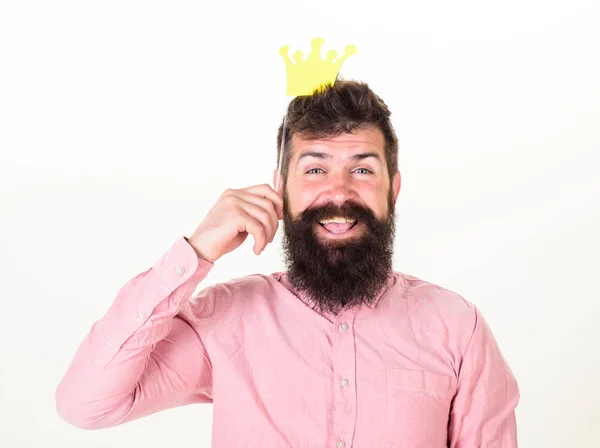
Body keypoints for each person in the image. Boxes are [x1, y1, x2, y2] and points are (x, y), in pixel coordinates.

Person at [55, 80, 520, 447]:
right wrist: (194, 253)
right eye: (315, 169)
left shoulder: (458, 327)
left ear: (392, 189)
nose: (338, 191)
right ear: (280, 187)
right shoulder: (226, 317)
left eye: (362, 169)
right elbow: (86, 405)